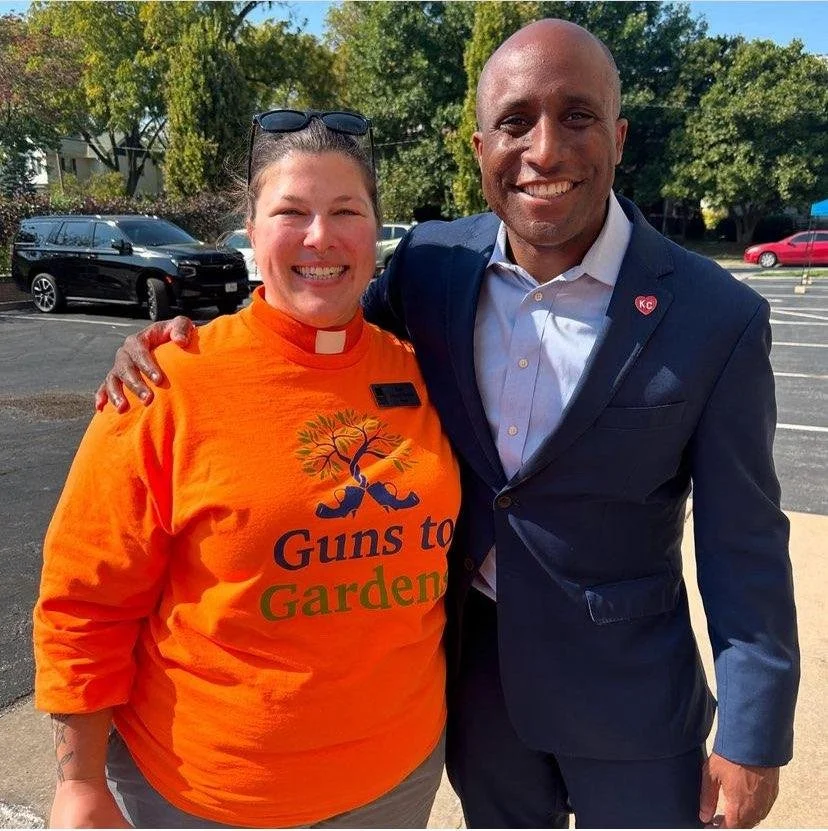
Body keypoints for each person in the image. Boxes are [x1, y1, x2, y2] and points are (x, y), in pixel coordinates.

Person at [95, 19, 800, 830]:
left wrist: (754, 734)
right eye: (515, 121)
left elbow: (744, 542)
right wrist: (176, 341)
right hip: (473, 690)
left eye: (577, 116)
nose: (544, 150)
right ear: (478, 148)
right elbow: (315, 328)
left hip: (633, 701)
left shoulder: (717, 316)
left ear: (619, 134)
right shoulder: (432, 268)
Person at [33, 111, 461, 829]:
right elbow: (85, 599)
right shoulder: (165, 385)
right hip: (205, 795)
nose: (320, 236)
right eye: (291, 211)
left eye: (346, 211)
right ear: (251, 228)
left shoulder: (423, 374)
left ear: (375, 231)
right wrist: (79, 781)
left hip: (397, 780)